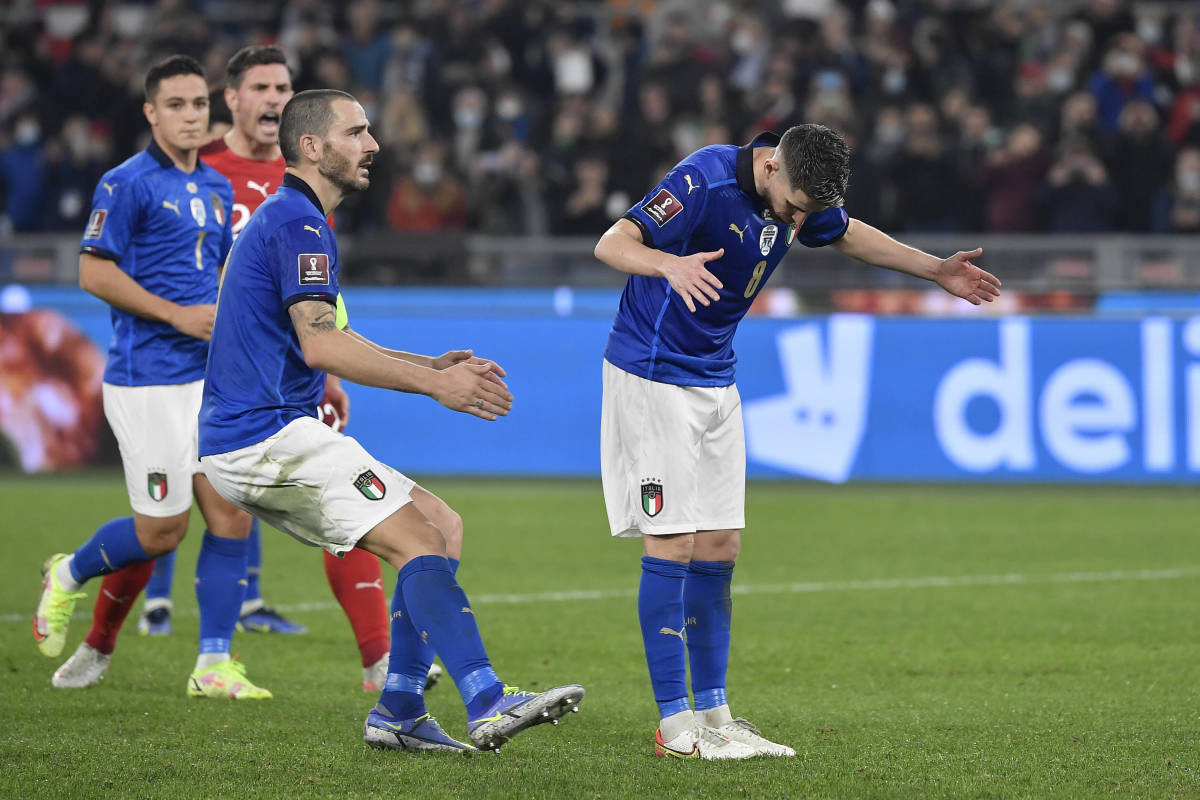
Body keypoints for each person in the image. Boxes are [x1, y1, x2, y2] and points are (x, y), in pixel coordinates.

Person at [593, 124, 1001, 760]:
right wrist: (666, 263)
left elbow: (847, 233)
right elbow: (612, 243)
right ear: (772, 165)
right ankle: (675, 727)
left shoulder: (800, 194)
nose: (798, 220)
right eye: (794, 207)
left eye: (809, 211)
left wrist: (933, 270)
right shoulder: (703, 179)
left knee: (721, 542)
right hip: (652, 375)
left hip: (715, 378)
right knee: (672, 542)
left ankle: (716, 715)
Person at [197, 88, 584, 753]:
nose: (374, 144)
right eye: (357, 131)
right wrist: (435, 383)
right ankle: (488, 699)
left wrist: (424, 361)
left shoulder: (296, 218)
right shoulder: (298, 223)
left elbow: (321, 336)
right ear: (312, 147)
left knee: (441, 526)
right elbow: (321, 345)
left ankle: (400, 706)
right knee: (420, 542)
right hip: (265, 437)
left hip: (262, 434)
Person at [134, 44, 418, 693]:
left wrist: (334, 375)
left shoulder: (305, 189)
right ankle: (107, 625)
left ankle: (376, 658)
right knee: (163, 522)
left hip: (277, 366)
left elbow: (318, 301)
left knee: (333, 500)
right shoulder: (195, 169)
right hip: (181, 362)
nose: (273, 99)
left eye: (283, 87)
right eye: (260, 87)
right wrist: (174, 315)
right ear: (230, 98)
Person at [34, 55, 271, 700]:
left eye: (199, 105)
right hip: (146, 380)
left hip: (207, 379)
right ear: (151, 112)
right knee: (162, 532)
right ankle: (68, 572)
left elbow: (221, 275)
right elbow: (93, 271)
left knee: (231, 515)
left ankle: (213, 664)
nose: (192, 116)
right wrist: (176, 315)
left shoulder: (219, 189)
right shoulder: (126, 183)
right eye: (177, 105)